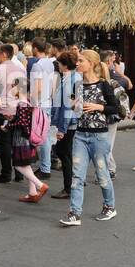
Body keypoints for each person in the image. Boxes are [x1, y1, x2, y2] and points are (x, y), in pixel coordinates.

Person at [60, 49, 119, 226]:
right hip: (80, 134)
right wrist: (72, 104)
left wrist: (98, 107)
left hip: (99, 136)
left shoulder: (103, 85)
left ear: (91, 64)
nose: (77, 63)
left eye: (80, 61)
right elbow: (72, 105)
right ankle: (74, 213)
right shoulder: (77, 85)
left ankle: (110, 207)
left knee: (102, 174)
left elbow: (115, 108)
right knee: (77, 176)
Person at [0, 43, 26, 183]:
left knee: (5, 144)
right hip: (16, 109)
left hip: (2, 109)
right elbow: (22, 91)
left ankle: (6, 173)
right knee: (16, 142)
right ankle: (20, 172)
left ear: (4, 54)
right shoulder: (20, 69)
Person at [49, 51, 81, 199]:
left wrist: (61, 128)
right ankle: (73, 183)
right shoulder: (74, 77)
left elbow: (68, 105)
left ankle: (69, 187)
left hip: (67, 122)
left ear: (65, 65)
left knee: (64, 153)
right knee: (67, 153)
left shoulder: (69, 80)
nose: (58, 66)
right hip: (70, 121)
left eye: (60, 64)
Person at [28, 38, 57, 179]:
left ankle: (45, 168)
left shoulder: (37, 66)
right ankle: (45, 166)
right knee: (45, 136)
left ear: (35, 48)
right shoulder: (50, 64)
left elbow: (37, 88)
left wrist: (30, 101)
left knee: (41, 137)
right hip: (47, 102)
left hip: (39, 104)